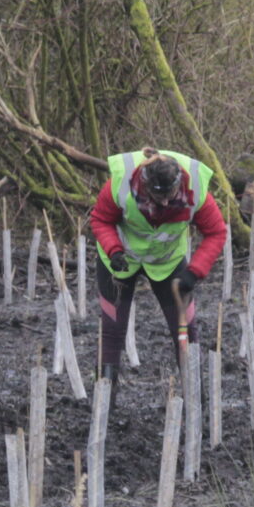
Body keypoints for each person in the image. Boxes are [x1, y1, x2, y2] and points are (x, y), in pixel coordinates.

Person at [89, 147, 228, 387]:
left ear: (179, 183)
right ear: (144, 184)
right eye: (156, 195)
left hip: (168, 261)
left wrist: (194, 272)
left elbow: (216, 232)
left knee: (187, 333)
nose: (164, 201)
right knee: (112, 332)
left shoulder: (196, 188)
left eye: (170, 195)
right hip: (121, 260)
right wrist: (114, 250)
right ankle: (104, 409)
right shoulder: (121, 183)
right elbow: (100, 219)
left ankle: (196, 403)